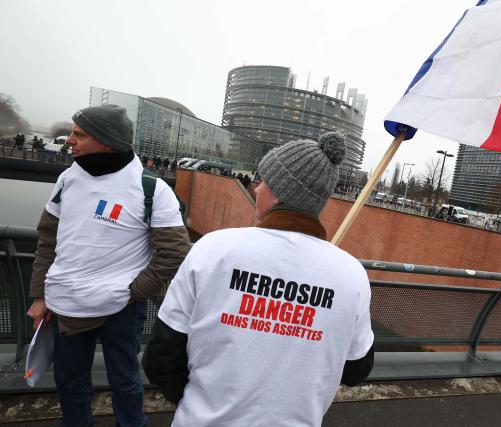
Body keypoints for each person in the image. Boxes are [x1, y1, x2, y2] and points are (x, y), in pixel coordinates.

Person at [143, 132, 374, 426]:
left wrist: (200, 400)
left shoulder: (213, 249)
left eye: (261, 181)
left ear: (279, 190)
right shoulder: (351, 274)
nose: (255, 189)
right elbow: (357, 368)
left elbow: (161, 357)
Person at [26, 104, 191, 427]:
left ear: (107, 141)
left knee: (125, 383)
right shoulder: (67, 178)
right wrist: (39, 295)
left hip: (120, 310)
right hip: (66, 305)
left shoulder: (151, 189)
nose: (69, 140)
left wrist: (133, 292)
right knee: (70, 383)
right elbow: (47, 238)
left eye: (79, 134)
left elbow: (175, 250)